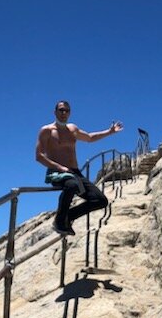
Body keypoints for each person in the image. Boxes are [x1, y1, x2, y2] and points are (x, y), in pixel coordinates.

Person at [35, 100, 124, 235]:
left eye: (66, 110)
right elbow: (39, 156)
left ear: (70, 113)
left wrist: (110, 132)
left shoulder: (72, 129)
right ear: (55, 112)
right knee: (71, 185)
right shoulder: (46, 131)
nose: (64, 113)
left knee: (100, 200)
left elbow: (89, 137)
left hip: (75, 172)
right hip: (57, 172)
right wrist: (59, 167)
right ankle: (60, 221)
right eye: (61, 110)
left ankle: (68, 216)